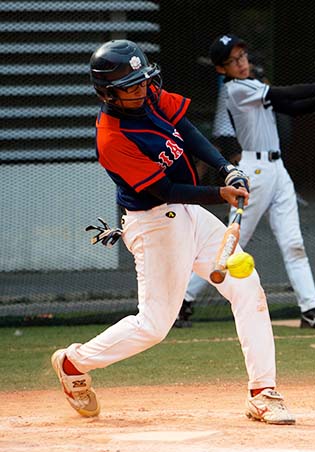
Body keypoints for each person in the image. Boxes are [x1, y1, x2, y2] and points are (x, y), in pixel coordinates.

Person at [50, 40, 295, 425]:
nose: (141, 90)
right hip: (154, 222)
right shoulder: (112, 138)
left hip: (189, 212)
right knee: (153, 325)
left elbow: (186, 128)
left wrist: (223, 167)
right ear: (108, 93)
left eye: (143, 81)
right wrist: (220, 193)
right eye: (130, 86)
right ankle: (73, 361)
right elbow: (164, 191)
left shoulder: (147, 96)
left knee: (248, 289)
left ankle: (262, 392)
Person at [178, 34, 315, 330]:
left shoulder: (256, 86)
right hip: (253, 172)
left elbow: (294, 108)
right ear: (222, 69)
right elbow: (285, 95)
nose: (241, 63)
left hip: (277, 170)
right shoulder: (236, 90)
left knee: (293, 242)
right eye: (233, 61)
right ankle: (183, 301)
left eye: (242, 57)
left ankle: (310, 309)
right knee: (233, 244)